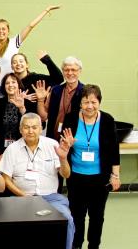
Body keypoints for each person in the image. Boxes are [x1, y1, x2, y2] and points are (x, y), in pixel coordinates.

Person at [0, 113, 75, 249]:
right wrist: (23, 195)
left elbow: (66, 174)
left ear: (41, 129)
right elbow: (5, 178)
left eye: (34, 127)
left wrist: (63, 158)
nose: (30, 131)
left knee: (67, 219)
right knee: (12, 223)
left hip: (50, 198)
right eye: (26, 127)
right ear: (20, 129)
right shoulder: (12, 149)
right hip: (21, 199)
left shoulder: (53, 145)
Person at [62, 85, 120, 249]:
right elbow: (63, 145)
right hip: (76, 177)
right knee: (77, 216)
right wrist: (67, 144)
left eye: (93, 102)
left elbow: (114, 149)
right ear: (80, 103)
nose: (89, 106)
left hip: (100, 178)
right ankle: (76, 245)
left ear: (99, 102)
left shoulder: (107, 120)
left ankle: (94, 245)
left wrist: (115, 176)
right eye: (86, 102)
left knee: (97, 216)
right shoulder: (71, 118)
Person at [34, 56, 84, 141]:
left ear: (80, 71)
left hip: (75, 141)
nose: (70, 73)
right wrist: (40, 100)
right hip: (53, 140)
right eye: (66, 70)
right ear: (63, 72)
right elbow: (44, 117)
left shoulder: (85, 92)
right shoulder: (56, 90)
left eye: (73, 70)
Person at [0, 73, 34, 153]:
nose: (10, 85)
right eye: (7, 83)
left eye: (13, 82)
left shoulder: (27, 102)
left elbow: (31, 125)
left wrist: (21, 108)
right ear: (4, 86)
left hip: (22, 149)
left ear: (18, 84)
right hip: (2, 149)